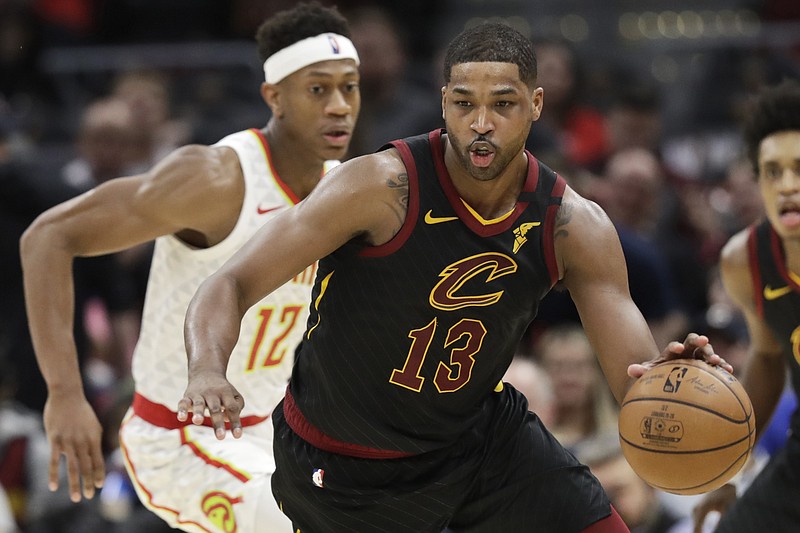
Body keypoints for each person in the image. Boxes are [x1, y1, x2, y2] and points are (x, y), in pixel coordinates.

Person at [180, 22, 729, 532]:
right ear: (444, 103)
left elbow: (635, 381)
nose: (482, 122)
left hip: (476, 441)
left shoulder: (571, 224)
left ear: (536, 105)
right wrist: (207, 369)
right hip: (343, 460)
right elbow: (228, 283)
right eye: (464, 104)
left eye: (503, 104)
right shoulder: (378, 187)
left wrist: (673, 383)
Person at [19, 2, 360, 532]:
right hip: (179, 439)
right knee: (296, 521)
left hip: (277, 434)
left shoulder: (346, 190)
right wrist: (64, 394)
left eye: (350, 86)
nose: (339, 105)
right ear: (274, 96)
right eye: (319, 89)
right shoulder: (215, 179)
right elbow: (47, 237)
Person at [692, 79, 800, 533]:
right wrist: (728, 470)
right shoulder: (745, 260)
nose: (787, 186)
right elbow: (769, 355)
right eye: (772, 171)